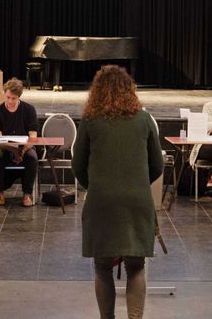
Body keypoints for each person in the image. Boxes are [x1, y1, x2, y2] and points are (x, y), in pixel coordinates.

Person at [73, 66, 164, 319]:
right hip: (137, 202)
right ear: (129, 90)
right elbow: (157, 165)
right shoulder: (144, 119)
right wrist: (137, 183)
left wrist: (97, 186)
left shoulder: (91, 121)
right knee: (136, 266)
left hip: (102, 202)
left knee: (102, 267)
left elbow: (77, 164)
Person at [0, 78, 39, 207]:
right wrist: (13, 150)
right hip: (5, 147)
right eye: (8, 97)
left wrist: (21, 151)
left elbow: (33, 136)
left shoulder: (29, 110)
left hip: (25, 147)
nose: (10, 101)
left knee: (32, 158)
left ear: (19, 97)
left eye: (14, 98)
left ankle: (27, 193)